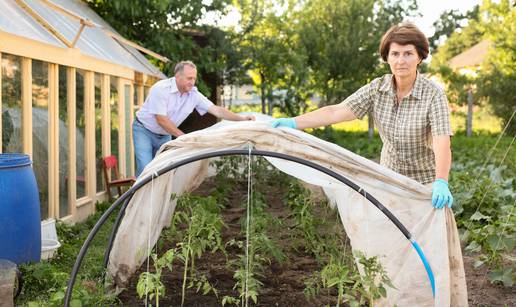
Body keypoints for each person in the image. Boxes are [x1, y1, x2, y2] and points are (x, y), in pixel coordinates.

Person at [272, 22, 453, 209]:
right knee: (391, 234)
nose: (401, 61)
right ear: (387, 58)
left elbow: (442, 141)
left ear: (419, 57)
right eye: (395, 54)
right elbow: (336, 111)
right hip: (390, 179)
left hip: (425, 184)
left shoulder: (434, 94)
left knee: (424, 236)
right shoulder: (377, 88)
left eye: (408, 53)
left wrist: (441, 181)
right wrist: (293, 122)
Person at [133, 60, 255, 176]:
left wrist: (242, 118)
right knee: (146, 169)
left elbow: (217, 110)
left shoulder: (194, 95)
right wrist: (183, 137)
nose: (192, 82)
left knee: (163, 170)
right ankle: (135, 197)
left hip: (164, 135)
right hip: (144, 131)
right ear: (177, 76)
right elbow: (161, 120)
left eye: (194, 78)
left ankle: (157, 198)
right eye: (189, 78)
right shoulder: (160, 89)